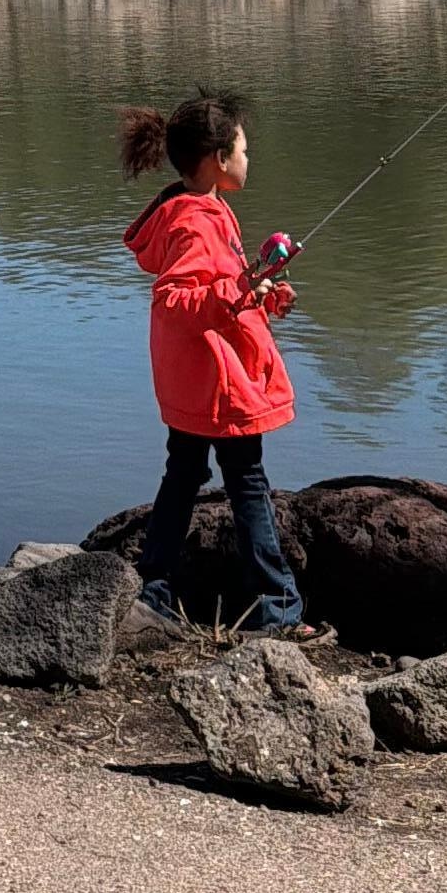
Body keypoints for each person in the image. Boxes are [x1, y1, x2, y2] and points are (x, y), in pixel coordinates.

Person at [119, 89, 319, 642]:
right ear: (217, 159)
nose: (249, 160)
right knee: (247, 483)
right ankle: (279, 608)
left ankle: (154, 588)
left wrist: (262, 293)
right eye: (244, 150)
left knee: (182, 477)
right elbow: (177, 300)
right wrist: (239, 285)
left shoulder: (203, 210)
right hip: (216, 384)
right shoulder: (194, 221)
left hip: (196, 380)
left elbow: (218, 290)